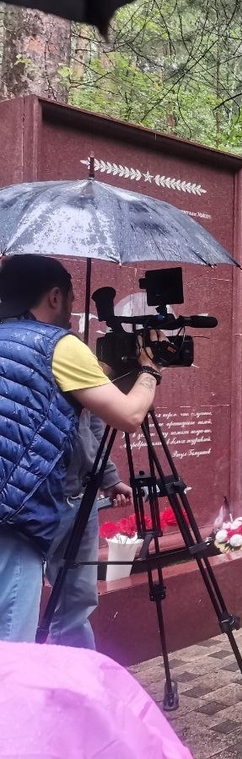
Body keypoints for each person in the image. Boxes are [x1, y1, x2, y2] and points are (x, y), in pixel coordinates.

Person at [0, 254, 162, 643]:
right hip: (23, 512)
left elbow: (75, 421)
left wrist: (106, 477)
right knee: (12, 639)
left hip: (36, 500)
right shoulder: (59, 345)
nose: (72, 310)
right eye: (72, 299)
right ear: (55, 296)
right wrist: (150, 370)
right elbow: (130, 415)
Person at [45, 413, 133, 649]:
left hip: (83, 498)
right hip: (38, 498)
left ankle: (77, 667)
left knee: (78, 596)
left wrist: (109, 477)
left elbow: (92, 423)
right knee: (16, 594)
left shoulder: (87, 386)